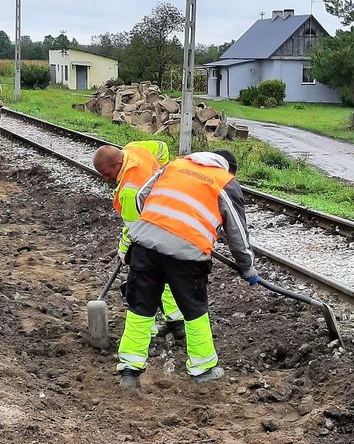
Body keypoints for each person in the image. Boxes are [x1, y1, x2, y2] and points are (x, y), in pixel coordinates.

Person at [115, 149, 257, 388]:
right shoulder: (226, 182)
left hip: (144, 245)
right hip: (187, 255)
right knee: (194, 310)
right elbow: (237, 234)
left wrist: (158, 225)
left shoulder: (174, 166)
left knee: (140, 306)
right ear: (228, 169)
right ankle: (202, 370)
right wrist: (247, 267)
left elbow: (141, 196)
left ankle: (129, 372)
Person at [92, 142, 185, 339]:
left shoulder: (129, 190)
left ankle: (145, 336)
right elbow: (162, 147)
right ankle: (176, 322)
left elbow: (134, 231)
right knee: (166, 273)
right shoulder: (135, 149)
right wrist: (162, 173)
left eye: (107, 173)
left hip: (153, 229)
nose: (105, 178)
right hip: (170, 215)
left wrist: (123, 250)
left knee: (144, 281)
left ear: (118, 163)